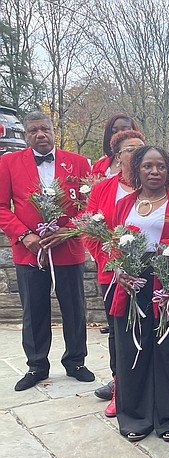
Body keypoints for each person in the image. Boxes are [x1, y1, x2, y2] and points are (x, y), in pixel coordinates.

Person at [0, 112, 95, 391]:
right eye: (33, 131)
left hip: (67, 247)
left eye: (45, 129)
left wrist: (69, 231)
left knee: (74, 308)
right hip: (30, 251)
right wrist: (24, 235)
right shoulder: (8, 163)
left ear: (54, 131)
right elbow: (2, 207)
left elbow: (90, 207)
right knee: (34, 310)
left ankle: (76, 361)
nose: (40, 134)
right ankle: (37, 365)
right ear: (26, 136)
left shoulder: (77, 163)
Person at [109, 146, 169, 442]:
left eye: (161, 166)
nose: (154, 171)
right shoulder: (124, 205)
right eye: (148, 166)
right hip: (133, 284)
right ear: (137, 169)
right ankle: (135, 415)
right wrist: (119, 272)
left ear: (168, 171)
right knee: (133, 349)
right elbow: (112, 243)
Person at [86, 129, 146, 415]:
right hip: (112, 274)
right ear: (118, 156)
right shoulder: (102, 189)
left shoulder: (153, 184)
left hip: (148, 274)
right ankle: (120, 386)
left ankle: (147, 387)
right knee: (119, 332)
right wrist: (111, 261)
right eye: (130, 149)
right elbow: (90, 231)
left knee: (147, 330)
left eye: (140, 148)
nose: (136, 153)